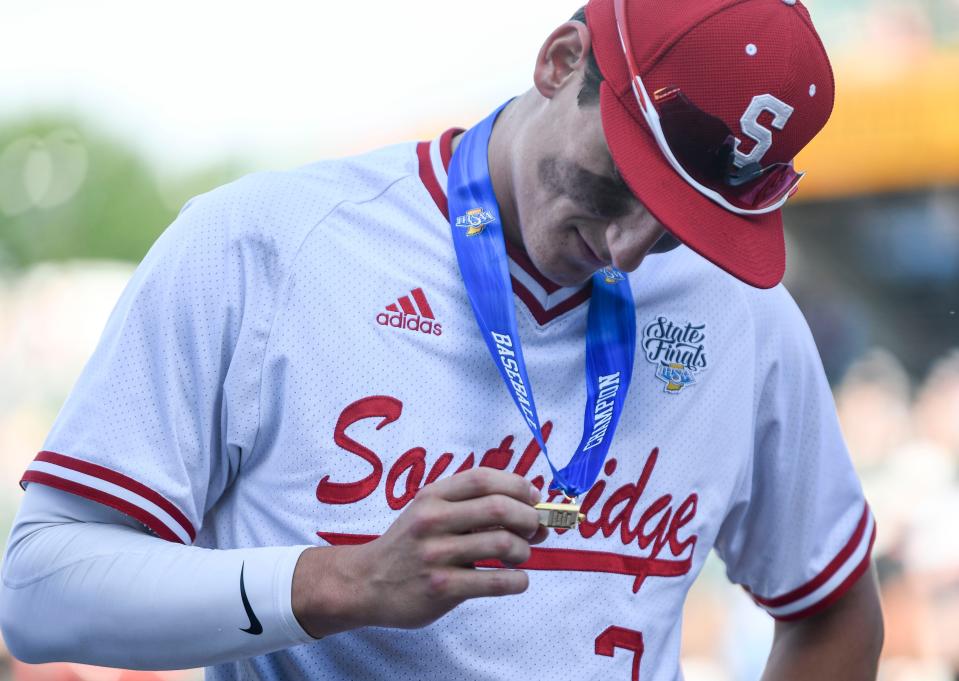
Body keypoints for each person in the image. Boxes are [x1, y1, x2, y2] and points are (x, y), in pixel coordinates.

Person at [0, 0, 884, 679]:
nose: (627, 247)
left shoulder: (743, 316)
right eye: (619, 183)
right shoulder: (264, 243)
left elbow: (835, 608)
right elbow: (38, 591)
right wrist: (338, 582)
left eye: (679, 224)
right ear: (560, 60)